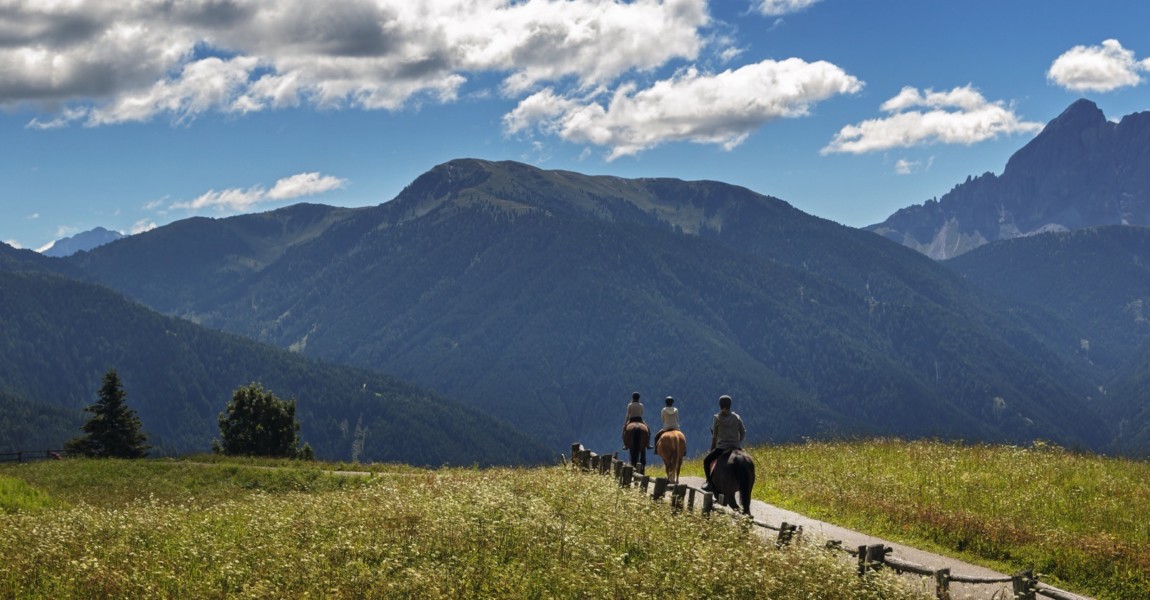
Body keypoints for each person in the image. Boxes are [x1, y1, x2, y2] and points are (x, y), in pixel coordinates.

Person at [702, 394, 744, 492]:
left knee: (706, 461)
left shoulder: (717, 418)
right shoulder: (736, 417)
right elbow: (743, 432)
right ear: (730, 405)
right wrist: (738, 442)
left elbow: (714, 436)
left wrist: (713, 447)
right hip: (736, 447)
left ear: (720, 405)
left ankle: (709, 482)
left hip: (721, 448)